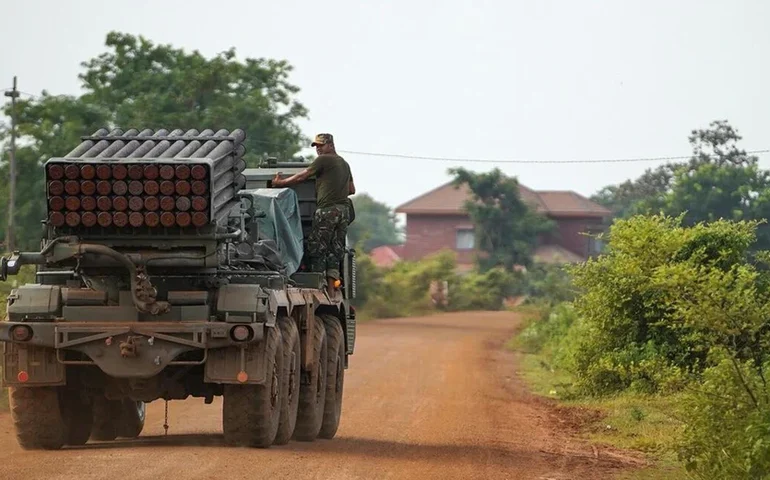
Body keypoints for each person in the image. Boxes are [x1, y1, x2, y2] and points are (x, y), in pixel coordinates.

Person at [272, 133, 355, 298]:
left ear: (330, 145)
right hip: (343, 211)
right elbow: (352, 190)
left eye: (321, 145)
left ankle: (318, 287)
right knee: (335, 249)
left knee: (317, 247)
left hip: (327, 210)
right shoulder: (344, 164)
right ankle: (332, 288)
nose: (318, 149)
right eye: (316, 146)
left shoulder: (324, 160)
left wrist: (281, 183)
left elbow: (303, 175)